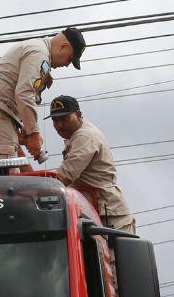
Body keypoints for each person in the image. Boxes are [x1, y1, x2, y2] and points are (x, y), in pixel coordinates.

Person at [0, 27, 87, 169]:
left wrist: (25, 131)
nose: (67, 64)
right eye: (70, 58)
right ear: (63, 46)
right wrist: (34, 133)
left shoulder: (38, 50)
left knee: (13, 179)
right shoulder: (39, 53)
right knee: (7, 186)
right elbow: (25, 93)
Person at [47, 95, 136, 234]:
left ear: (78, 115)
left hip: (111, 217)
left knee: (111, 256)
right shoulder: (76, 135)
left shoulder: (85, 137)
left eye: (64, 119)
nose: (59, 125)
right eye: (55, 120)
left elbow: (62, 178)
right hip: (94, 212)